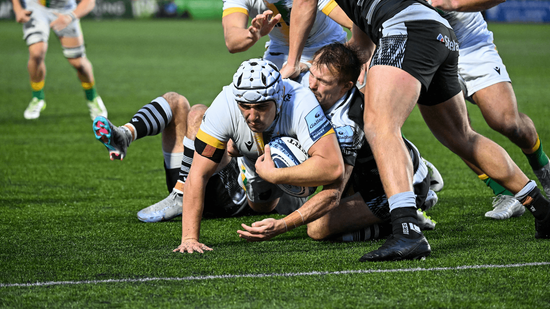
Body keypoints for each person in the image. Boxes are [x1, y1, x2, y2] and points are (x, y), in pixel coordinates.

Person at [284, 0, 550, 262]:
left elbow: (305, 2)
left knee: (381, 126)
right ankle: (542, 208)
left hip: (405, 29)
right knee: (461, 136)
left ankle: (406, 231)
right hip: (439, 32)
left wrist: (293, 62)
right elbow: (361, 45)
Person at [237, 43, 439, 245]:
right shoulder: (307, 82)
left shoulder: (347, 125)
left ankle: (405, 214)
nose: (312, 85)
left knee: (317, 228)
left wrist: (282, 225)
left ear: (346, 86)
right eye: (313, 75)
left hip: (389, 185)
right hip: (361, 174)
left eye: (323, 81)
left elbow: (332, 194)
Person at [168, 58, 346, 253]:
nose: (252, 116)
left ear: (279, 98)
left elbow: (334, 168)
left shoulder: (302, 101)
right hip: (254, 161)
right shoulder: (225, 104)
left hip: (292, 167)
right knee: (262, 207)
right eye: (245, 106)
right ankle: (246, 163)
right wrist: (189, 238)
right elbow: (197, 174)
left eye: (261, 107)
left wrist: (275, 175)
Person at [92, 93, 305, 222]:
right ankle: (125, 135)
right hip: (193, 174)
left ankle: (182, 194)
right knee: (175, 102)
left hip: (232, 194)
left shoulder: (298, 114)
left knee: (199, 114)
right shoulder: (285, 105)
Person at [428, 1, 550, 221]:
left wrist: (452, 3)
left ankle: (543, 169)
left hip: (471, 46)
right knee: (455, 132)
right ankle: (504, 191)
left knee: (506, 122)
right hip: (428, 53)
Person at [11, 0, 107, 120]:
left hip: (65, 10)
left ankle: (93, 98)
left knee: (78, 63)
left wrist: (70, 17)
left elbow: (90, 2)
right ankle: (37, 97)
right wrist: (17, 8)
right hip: (35, 7)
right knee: (36, 52)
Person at [221, 0, 351, 70]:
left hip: (328, 47)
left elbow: (354, 22)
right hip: (281, 51)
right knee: (259, 97)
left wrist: (361, 52)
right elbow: (232, 41)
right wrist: (254, 34)